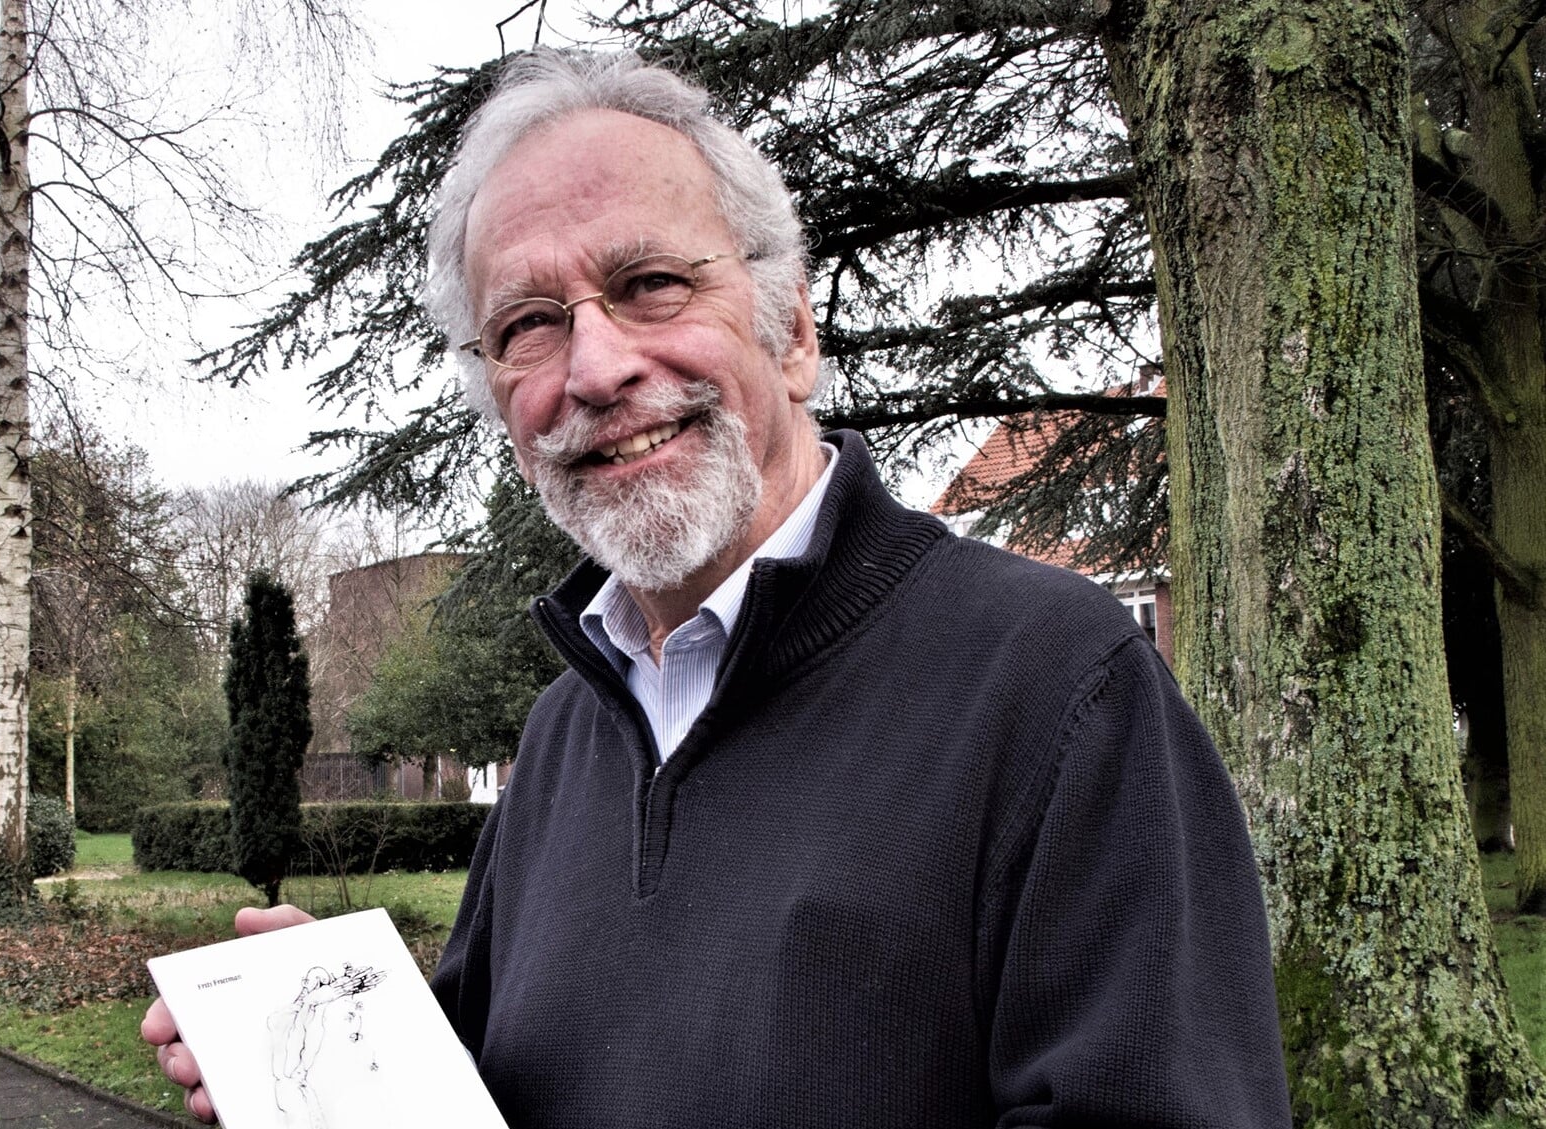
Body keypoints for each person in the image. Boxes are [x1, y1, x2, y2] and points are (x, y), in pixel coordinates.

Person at [145, 48, 1291, 1127]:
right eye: (528, 326)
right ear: (499, 403)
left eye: (648, 283)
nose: (593, 369)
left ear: (790, 329)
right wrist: (350, 1051)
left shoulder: (1054, 686)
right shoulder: (558, 739)